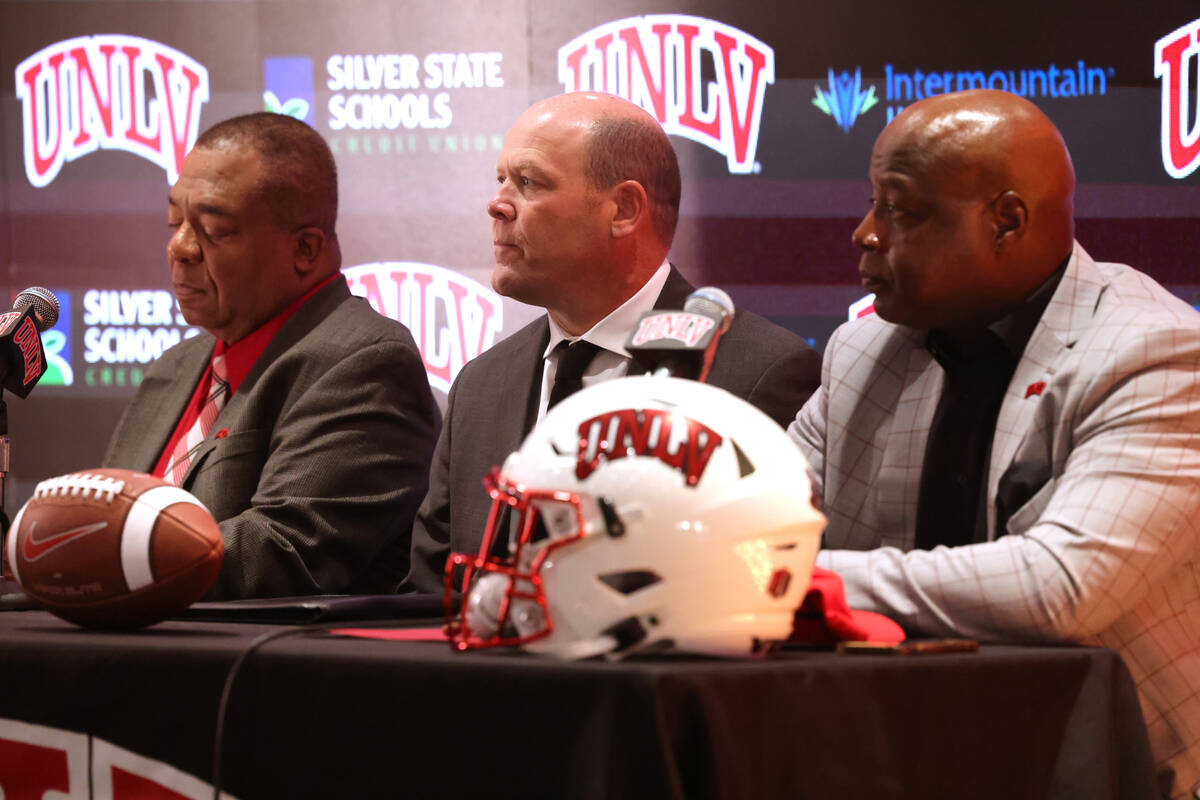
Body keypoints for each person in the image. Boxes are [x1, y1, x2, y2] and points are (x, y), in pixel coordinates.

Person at [789, 89, 1200, 798]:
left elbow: (1059, 589)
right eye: (871, 203)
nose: (864, 234)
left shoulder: (1154, 351)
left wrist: (797, 581)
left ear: (1007, 221)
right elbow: (760, 512)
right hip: (894, 758)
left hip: (1111, 772)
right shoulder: (863, 350)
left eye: (901, 210)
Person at [405, 92, 821, 593]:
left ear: (623, 209)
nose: (496, 204)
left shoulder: (759, 373)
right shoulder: (481, 384)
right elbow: (427, 600)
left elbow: (767, 590)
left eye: (528, 182)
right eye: (500, 180)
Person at [104, 112, 439, 599]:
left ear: (305, 249)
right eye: (175, 221)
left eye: (214, 231)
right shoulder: (174, 369)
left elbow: (287, 548)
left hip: (248, 669)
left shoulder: (362, 361)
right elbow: (105, 514)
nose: (180, 248)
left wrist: (97, 558)